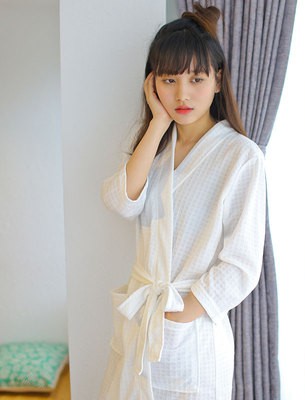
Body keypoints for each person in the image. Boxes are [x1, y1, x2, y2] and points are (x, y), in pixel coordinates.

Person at [99, 3, 266, 400]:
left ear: (218, 80)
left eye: (196, 78)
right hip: (140, 328)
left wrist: (179, 314)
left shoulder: (241, 156)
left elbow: (241, 264)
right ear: (152, 84)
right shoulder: (154, 148)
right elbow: (120, 202)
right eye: (169, 79)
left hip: (191, 338)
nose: (182, 94)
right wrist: (158, 122)